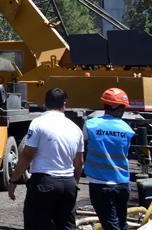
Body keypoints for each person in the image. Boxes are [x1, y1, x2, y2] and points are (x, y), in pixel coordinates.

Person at [9, 88, 84, 230]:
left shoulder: (38, 123)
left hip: (44, 183)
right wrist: (74, 184)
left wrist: (14, 180)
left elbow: (27, 155)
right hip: (68, 183)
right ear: (64, 104)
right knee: (66, 225)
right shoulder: (76, 128)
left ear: (45, 103)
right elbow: (79, 162)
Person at [83, 88, 134, 230]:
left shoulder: (91, 124)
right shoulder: (127, 129)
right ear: (117, 107)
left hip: (99, 183)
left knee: (110, 225)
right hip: (122, 183)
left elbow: (81, 149)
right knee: (121, 223)